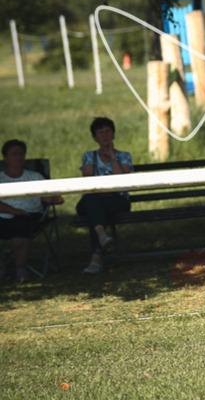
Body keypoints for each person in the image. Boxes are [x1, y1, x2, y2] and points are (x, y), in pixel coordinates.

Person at [0, 140, 63, 283]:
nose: (18, 157)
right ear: (6, 158)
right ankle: (1, 270)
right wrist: (13, 210)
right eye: (14, 154)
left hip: (30, 216)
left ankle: (21, 269)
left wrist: (53, 197)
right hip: (3, 216)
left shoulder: (35, 177)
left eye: (21, 153)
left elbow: (52, 198)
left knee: (22, 223)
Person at [76, 117, 133, 273]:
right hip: (94, 198)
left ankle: (96, 259)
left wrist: (113, 157)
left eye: (108, 131)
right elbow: (88, 179)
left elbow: (121, 180)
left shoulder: (124, 156)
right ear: (95, 137)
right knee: (93, 203)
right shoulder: (89, 156)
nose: (105, 135)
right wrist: (104, 191)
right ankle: (101, 235)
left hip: (117, 200)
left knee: (94, 210)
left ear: (113, 134)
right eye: (100, 132)